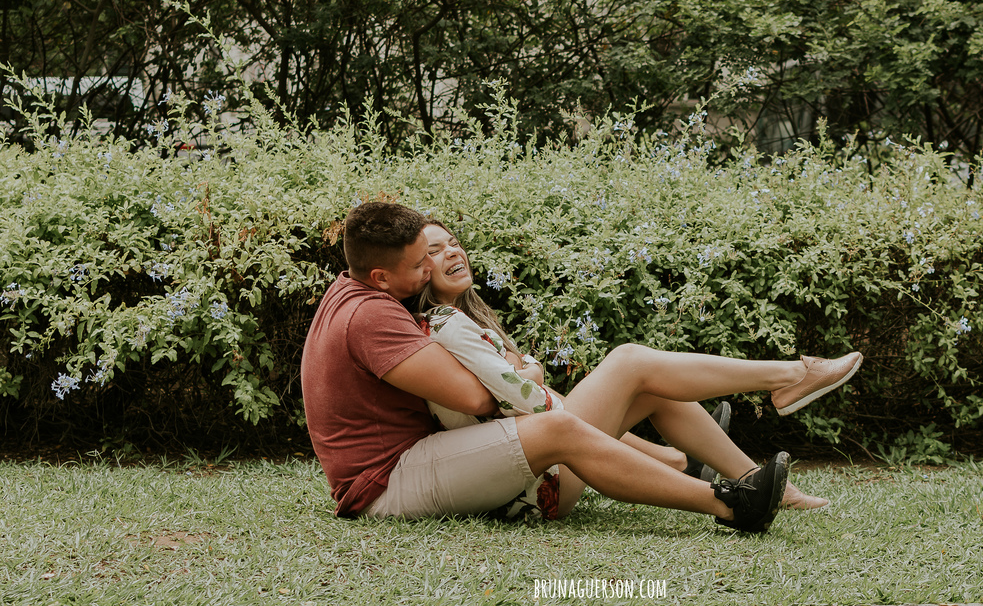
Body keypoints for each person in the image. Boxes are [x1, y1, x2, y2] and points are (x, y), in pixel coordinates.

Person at [301, 202, 862, 533]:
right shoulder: (396, 317)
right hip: (396, 483)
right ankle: (738, 489)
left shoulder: (379, 295)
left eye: (445, 247)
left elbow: (492, 399)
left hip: (448, 462)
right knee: (607, 381)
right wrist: (526, 374)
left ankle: (760, 459)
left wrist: (519, 373)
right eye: (422, 261)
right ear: (383, 275)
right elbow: (481, 400)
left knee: (640, 376)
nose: (435, 264)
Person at [413, 220, 854, 513]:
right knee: (629, 361)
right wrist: (532, 371)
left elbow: (519, 383)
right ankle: (790, 375)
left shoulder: (464, 318)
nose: (453, 252)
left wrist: (527, 370)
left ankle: (759, 481)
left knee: (651, 385)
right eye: (435, 250)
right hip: (535, 482)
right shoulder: (444, 323)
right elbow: (526, 399)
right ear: (417, 269)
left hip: (537, 468)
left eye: (454, 243)